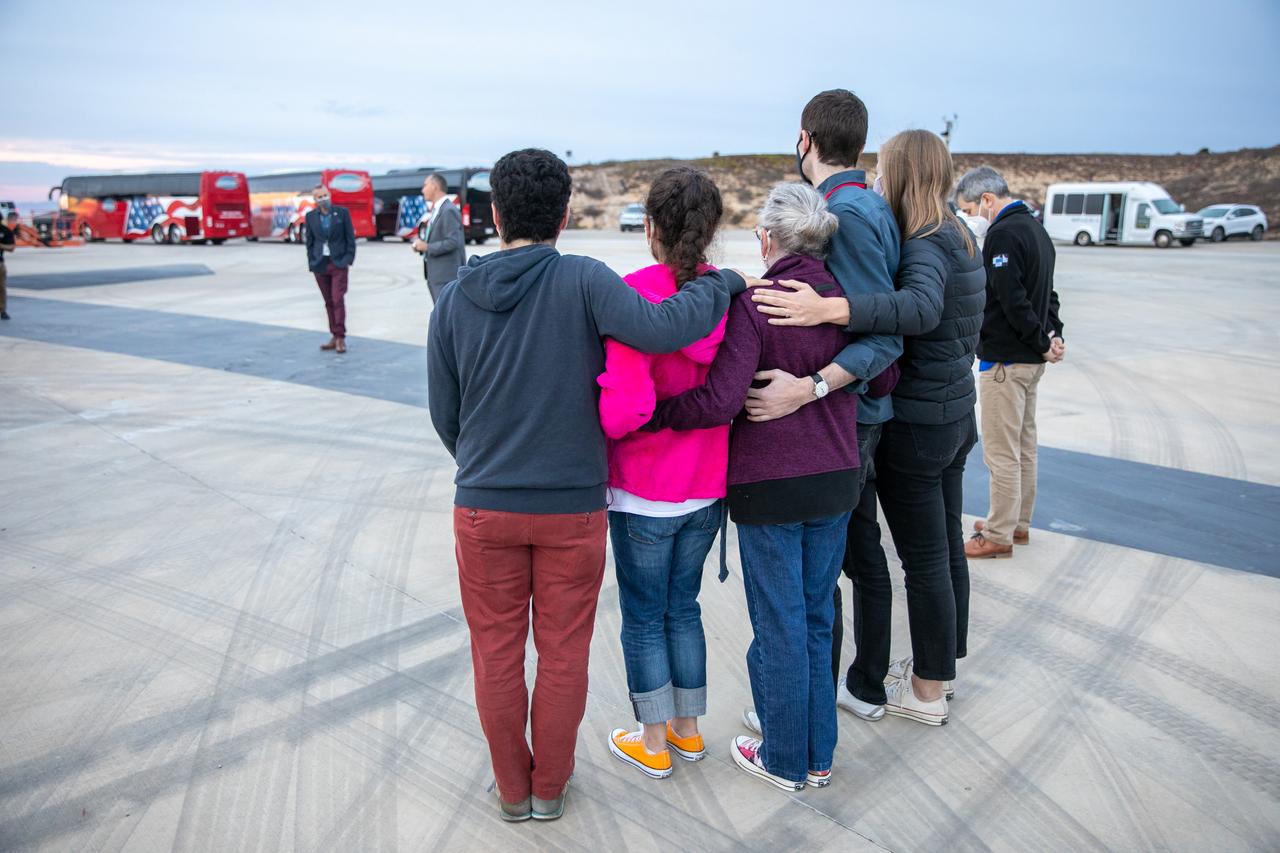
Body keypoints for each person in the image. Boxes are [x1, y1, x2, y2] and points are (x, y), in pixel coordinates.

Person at [426, 149, 748, 822]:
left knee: (495, 654)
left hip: (485, 506)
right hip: (573, 509)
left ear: (493, 215)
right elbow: (668, 325)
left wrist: (488, 467)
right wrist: (721, 285)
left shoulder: (453, 298)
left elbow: (446, 417)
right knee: (564, 653)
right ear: (565, 216)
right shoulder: (584, 281)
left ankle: (513, 791)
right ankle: (551, 787)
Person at [646, 182, 896, 792]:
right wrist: (823, 382)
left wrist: (657, 410)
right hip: (837, 479)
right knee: (813, 619)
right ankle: (817, 755)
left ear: (767, 240)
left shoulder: (758, 303)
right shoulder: (843, 302)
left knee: (781, 623)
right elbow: (884, 379)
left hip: (771, 487)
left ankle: (783, 758)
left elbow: (722, 399)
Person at [749, 130, 986, 724]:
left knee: (903, 558)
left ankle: (914, 688)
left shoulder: (923, 239)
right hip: (954, 411)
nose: (879, 177)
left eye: (886, 168)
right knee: (931, 552)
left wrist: (831, 310)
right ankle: (930, 674)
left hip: (916, 420)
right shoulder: (958, 232)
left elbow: (918, 312)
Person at [743, 89, 902, 702]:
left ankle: (801, 711)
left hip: (840, 421)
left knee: (814, 590)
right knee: (831, 575)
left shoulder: (848, 213)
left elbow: (882, 336)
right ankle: (823, 705)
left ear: (805, 139)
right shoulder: (858, 204)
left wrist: (809, 388)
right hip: (844, 421)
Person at [597, 167, 728, 780]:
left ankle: (652, 738)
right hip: (706, 486)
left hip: (644, 489)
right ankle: (689, 729)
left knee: (644, 615)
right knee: (685, 606)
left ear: (649, 227)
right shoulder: (725, 297)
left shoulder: (633, 295)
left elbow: (624, 409)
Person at [953, 166, 1065, 559]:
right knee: (1024, 447)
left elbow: (1014, 300)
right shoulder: (1036, 229)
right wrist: (1053, 336)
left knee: (1000, 452)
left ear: (987, 199)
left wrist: (1040, 339)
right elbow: (1048, 293)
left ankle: (998, 533)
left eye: (971, 209)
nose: (972, 217)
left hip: (1006, 361)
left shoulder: (1002, 234)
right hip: (1031, 361)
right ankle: (1017, 522)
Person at [304, 185, 356, 353]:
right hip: (320, 264)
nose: (323, 199)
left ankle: (341, 337)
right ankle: (333, 334)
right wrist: (312, 261)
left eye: (325, 195)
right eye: (320, 197)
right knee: (328, 302)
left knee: (337, 299)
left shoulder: (341, 213)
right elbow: (310, 242)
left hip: (338, 263)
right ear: (315, 200)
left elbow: (350, 238)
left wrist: (348, 259)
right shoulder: (311, 217)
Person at [412, 173, 466, 302]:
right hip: (436, 276)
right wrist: (421, 245)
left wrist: (427, 247)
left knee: (446, 318)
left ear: (434, 186)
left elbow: (453, 242)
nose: (422, 189)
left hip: (446, 278)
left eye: (425, 185)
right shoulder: (437, 210)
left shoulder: (448, 210)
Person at [0, 210, 17, 320]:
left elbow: (11, 248)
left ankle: (2, 310)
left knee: (1, 288)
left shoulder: (5, 231)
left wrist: (0, 245)